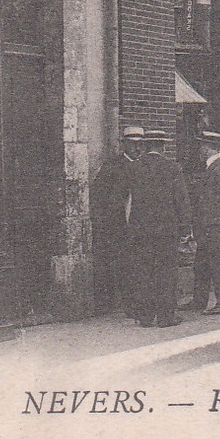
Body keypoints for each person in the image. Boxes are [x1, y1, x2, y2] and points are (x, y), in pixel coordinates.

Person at [126, 130, 192, 328]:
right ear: (162, 146)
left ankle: (145, 316)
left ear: (145, 146)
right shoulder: (172, 168)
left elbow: (127, 200)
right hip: (166, 230)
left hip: (140, 229)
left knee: (143, 271)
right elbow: (181, 200)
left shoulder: (134, 168)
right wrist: (185, 227)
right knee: (166, 272)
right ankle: (166, 316)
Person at [90, 124, 144, 316]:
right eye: (133, 144)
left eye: (140, 145)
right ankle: (110, 303)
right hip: (117, 225)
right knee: (117, 264)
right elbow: (98, 194)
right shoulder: (112, 166)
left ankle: (134, 303)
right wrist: (105, 219)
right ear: (124, 145)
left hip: (139, 226)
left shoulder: (145, 167)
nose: (137, 149)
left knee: (137, 265)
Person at [187, 131, 220, 315]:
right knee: (201, 265)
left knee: (218, 265)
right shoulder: (211, 167)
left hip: (216, 227)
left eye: (203, 146)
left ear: (212, 148)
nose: (200, 149)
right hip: (208, 226)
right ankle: (199, 300)